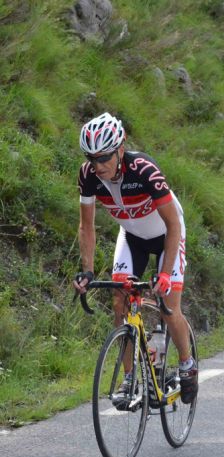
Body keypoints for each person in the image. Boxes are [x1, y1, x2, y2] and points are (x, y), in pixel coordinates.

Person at [73, 112, 197, 404]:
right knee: (120, 302)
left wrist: (165, 274)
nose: (98, 165)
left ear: (120, 149)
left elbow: (173, 224)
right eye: (91, 158)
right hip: (131, 237)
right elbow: (86, 226)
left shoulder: (144, 170)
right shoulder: (88, 176)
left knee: (169, 306)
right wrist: (87, 271)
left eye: (104, 157)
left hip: (167, 235)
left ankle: (187, 364)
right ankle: (129, 379)